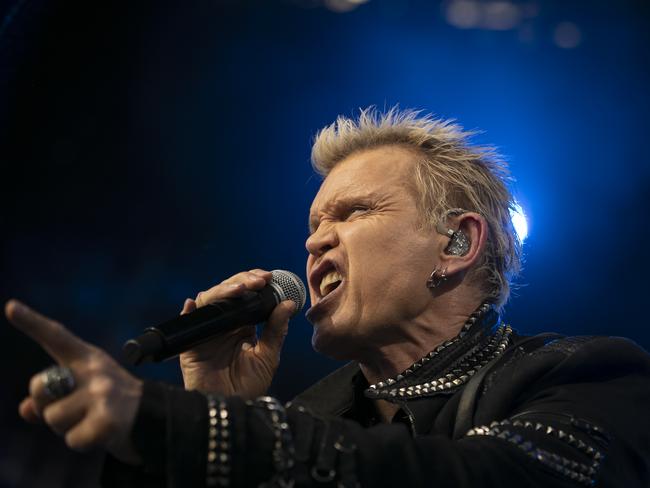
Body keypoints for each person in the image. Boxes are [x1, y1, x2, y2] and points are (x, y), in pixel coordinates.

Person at [6, 107, 650, 487]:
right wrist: (209, 405)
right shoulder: (308, 416)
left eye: (353, 213)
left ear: (456, 244)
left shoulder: (587, 378)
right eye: (314, 225)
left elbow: (470, 477)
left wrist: (198, 428)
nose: (315, 245)